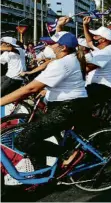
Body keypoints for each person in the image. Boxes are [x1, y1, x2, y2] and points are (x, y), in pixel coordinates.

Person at [0, 32, 88, 168]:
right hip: (70, 105)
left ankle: (67, 153)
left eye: (51, 44)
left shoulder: (61, 63)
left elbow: (29, 89)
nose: (48, 47)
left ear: (63, 47)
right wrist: (47, 90)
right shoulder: (68, 59)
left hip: (66, 109)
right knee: (33, 134)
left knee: (23, 140)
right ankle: (41, 171)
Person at [82, 16, 111, 102]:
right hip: (98, 85)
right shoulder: (103, 48)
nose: (93, 37)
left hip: (104, 87)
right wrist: (85, 25)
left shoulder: (106, 52)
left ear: (103, 40)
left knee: (79, 99)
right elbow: (89, 42)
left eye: (96, 36)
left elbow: (88, 68)